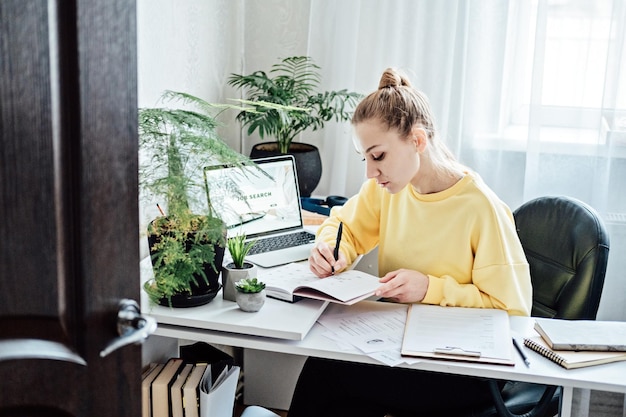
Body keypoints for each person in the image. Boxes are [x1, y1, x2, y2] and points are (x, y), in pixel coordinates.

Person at [287, 68, 532, 417]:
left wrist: (429, 289)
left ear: (417, 141)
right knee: (329, 364)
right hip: (402, 345)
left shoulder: (481, 207)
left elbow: (511, 310)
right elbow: (345, 225)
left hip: (466, 367)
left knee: (331, 374)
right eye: (366, 159)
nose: (370, 173)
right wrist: (333, 250)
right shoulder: (387, 188)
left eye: (378, 156)